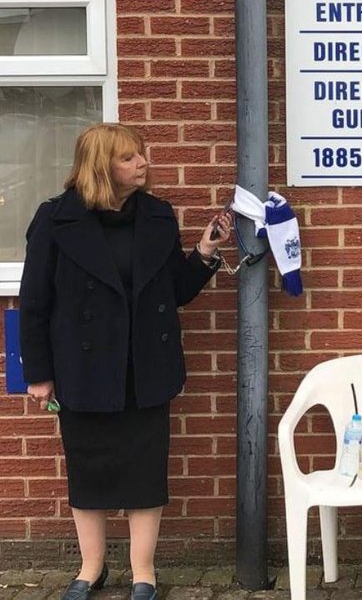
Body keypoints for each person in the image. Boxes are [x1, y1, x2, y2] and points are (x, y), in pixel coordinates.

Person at [20, 123, 232, 600]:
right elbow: (34, 302)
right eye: (129, 158)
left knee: (144, 470)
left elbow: (173, 290)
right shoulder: (55, 219)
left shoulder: (157, 216)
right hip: (83, 367)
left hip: (145, 366)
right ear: (102, 167)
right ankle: (91, 568)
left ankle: (144, 573)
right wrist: (38, 374)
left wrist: (203, 252)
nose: (142, 164)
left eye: (141, 155)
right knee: (88, 469)